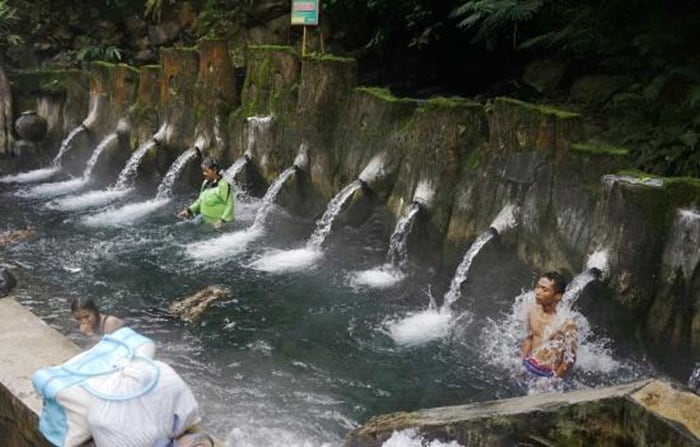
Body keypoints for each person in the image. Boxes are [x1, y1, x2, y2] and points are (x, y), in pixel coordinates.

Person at [520, 271, 577, 378]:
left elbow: (570, 358)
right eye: (537, 287)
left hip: (548, 374)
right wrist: (521, 366)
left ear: (557, 296)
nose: (537, 292)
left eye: (544, 289)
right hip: (529, 365)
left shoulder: (566, 322)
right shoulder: (532, 311)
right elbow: (529, 339)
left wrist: (553, 380)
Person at [177, 157, 234, 228]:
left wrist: (222, 221)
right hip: (204, 222)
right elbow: (200, 201)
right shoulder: (205, 183)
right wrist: (189, 211)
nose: (204, 174)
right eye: (203, 171)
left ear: (215, 170)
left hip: (219, 226)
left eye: (206, 171)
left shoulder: (223, 185)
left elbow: (229, 205)